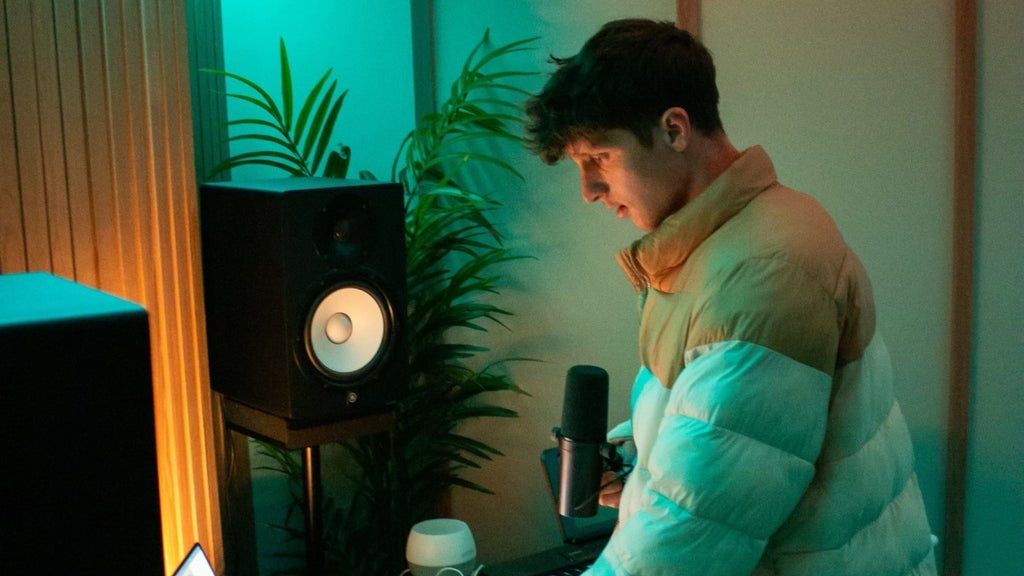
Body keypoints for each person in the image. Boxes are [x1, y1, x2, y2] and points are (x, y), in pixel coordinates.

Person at [525, 19, 937, 576]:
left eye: (599, 158)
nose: (589, 190)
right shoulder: (719, 244)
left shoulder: (764, 274)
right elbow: (728, 429)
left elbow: (683, 540)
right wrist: (640, 457)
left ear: (675, 129)